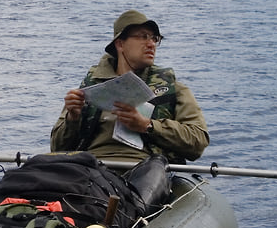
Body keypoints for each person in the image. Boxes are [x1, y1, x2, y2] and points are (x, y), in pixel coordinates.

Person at [51, 9, 209, 168]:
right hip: (92, 167)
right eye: (143, 37)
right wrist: (72, 118)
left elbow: (198, 141)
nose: (151, 44)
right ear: (120, 44)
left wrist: (148, 126)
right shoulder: (90, 89)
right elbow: (57, 149)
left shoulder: (175, 88)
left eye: (155, 38)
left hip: (148, 168)